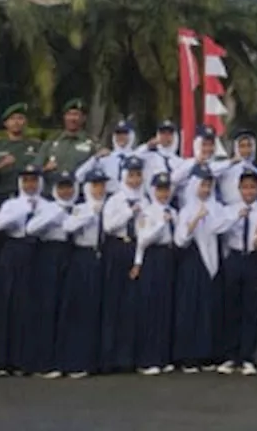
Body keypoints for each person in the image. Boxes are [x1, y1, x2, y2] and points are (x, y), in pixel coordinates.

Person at [0, 165, 44, 377]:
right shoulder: (12, 204)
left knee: (26, 305)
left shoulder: (46, 204)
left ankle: (21, 360)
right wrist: (24, 209)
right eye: (26, 180)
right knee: (5, 303)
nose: (30, 185)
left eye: (34, 180)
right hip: (12, 250)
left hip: (34, 252)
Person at [173, 165, 232, 371]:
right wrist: (195, 220)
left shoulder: (216, 207)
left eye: (209, 185)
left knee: (211, 308)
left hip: (214, 259)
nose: (205, 189)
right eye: (202, 185)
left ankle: (209, 354)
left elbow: (224, 226)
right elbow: (180, 240)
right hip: (193, 260)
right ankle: (189, 356)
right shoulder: (187, 209)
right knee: (192, 307)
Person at [23, 171, 78, 378]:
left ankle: (64, 359)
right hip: (49, 253)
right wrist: (56, 213)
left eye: (69, 186)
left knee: (67, 307)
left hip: (70, 254)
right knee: (48, 305)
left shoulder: (78, 207)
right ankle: (43, 361)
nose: (66, 191)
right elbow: (31, 228)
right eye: (62, 187)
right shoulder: (48, 207)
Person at [218, 169, 257, 375]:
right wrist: (235, 218)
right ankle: (231, 355)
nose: (249, 191)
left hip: (253, 259)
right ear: (239, 189)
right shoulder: (230, 209)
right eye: (245, 187)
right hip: (234, 258)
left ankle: (248, 356)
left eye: (252, 187)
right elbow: (219, 230)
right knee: (231, 308)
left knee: (251, 309)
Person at [56, 167, 109, 378]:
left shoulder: (109, 206)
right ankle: (76, 360)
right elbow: (68, 226)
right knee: (81, 310)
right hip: (83, 257)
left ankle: (97, 360)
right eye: (95, 185)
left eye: (102, 185)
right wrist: (90, 215)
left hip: (102, 256)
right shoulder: (81, 208)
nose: (99, 189)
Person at [99, 155, 149, 373]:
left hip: (135, 249)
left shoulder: (146, 200)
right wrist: (130, 212)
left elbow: (145, 230)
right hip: (116, 248)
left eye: (138, 175)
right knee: (113, 303)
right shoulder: (115, 200)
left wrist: (138, 260)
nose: (135, 179)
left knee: (132, 305)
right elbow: (109, 226)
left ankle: (128, 357)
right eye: (131, 175)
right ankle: (108, 357)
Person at [132, 172, 179, 376]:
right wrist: (161, 224)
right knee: (151, 307)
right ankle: (147, 358)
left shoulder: (173, 211)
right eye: (160, 190)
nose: (163, 194)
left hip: (169, 256)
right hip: (153, 256)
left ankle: (162, 357)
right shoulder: (147, 212)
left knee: (165, 307)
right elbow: (142, 240)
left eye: (166, 189)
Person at [0, 103, 40, 205]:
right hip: (1, 195)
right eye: (12, 119)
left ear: (25, 122)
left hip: (29, 196)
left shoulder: (36, 146)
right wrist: (2, 165)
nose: (16, 122)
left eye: (20, 118)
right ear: (6, 123)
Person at [37, 99, 99, 181]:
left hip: (79, 190)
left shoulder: (92, 144)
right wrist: (45, 168)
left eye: (76, 115)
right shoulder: (52, 141)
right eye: (69, 114)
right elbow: (35, 168)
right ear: (64, 117)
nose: (72, 118)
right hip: (52, 189)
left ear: (84, 118)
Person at [75, 121, 139, 196]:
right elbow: (79, 176)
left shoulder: (138, 156)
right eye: (118, 133)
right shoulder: (106, 157)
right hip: (110, 198)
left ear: (131, 135)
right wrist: (95, 158)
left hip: (133, 197)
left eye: (125, 133)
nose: (121, 136)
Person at [216, 128, 257, 206]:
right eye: (242, 146)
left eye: (249, 146)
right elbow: (210, 172)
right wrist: (231, 161)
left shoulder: (255, 170)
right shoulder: (227, 167)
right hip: (229, 209)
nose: (246, 149)